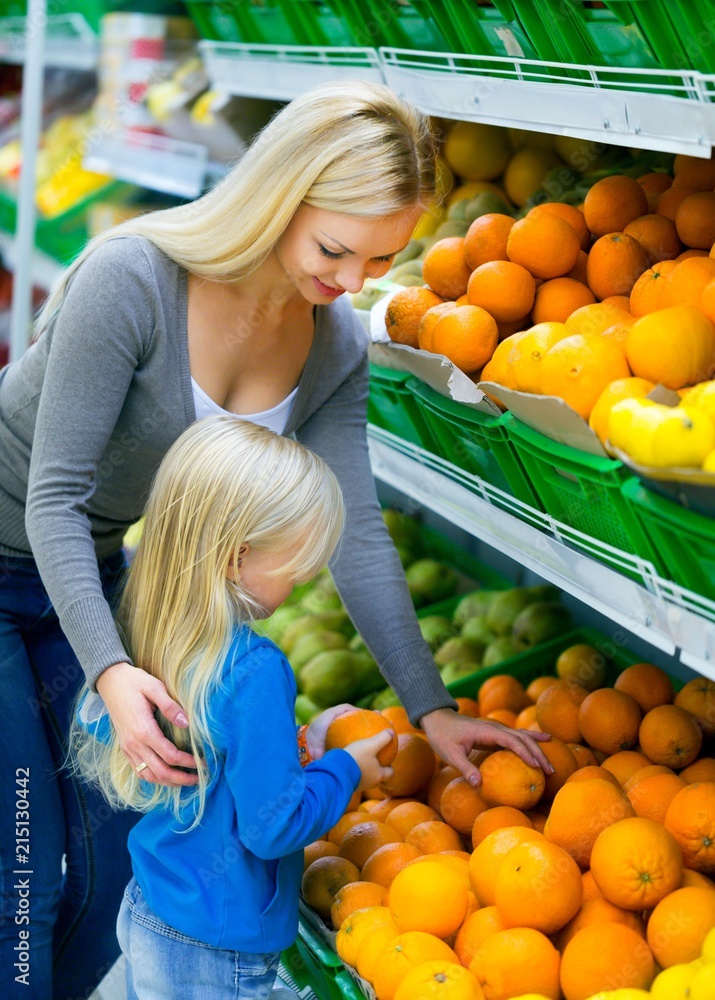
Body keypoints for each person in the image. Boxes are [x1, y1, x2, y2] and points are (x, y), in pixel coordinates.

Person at [0, 79, 552, 998]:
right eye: (335, 248)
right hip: (22, 535)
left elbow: (359, 529)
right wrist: (111, 669)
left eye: (380, 260)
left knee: (109, 862)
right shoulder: (131, 280)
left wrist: (430, 706)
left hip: (88, 570)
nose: (350, 283)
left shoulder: (332, 342)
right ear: (280, 195)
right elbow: (51, 497)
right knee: (24, 868)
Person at [71, 415, 394, 999]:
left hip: (153, 906)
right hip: (219, 947)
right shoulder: (256, 670)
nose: (303, 581)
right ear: (236, 555)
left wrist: (296, 740)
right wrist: (347, 769)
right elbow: (273, 829)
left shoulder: (151, 631)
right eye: (296, 568)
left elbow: (194, 750)